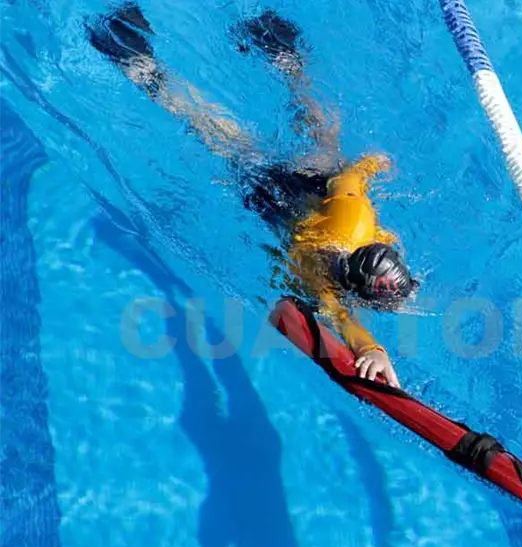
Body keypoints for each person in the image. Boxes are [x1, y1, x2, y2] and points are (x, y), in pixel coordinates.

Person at [86, 3, 416, 386]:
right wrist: (372, 349)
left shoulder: (357, 220)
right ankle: (141, 65)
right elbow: (343, 319)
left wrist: (374, 165)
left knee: (312, 135)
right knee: (218, 132)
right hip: (276, 199)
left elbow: (351, 174)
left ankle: (284, 61)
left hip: (313, 197)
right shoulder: (321, 273)